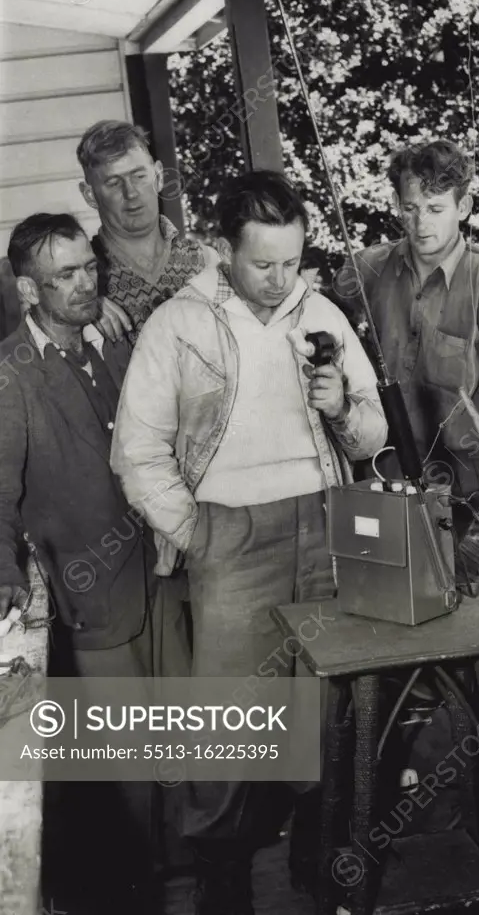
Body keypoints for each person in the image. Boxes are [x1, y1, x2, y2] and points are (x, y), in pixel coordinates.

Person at [110, 169, 388, 914]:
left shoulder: (321, 311)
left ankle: (314, 848)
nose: (279, 279)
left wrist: (342, 410)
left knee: (322, 705)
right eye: (262, 263)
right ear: (222, 250)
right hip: (229, 531)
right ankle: (223, 878)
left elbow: (372, 433)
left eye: (291, 262)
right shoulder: (179, 324)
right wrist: (194, 531)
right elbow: (137, 450)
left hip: (326, 526)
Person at [0, 212, 190, 913]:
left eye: (90, 268)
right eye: (65, 276)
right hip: (89, 600)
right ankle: (135, 891)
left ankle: (185, 873)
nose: (86, 284)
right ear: (27, 290)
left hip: (162, 577)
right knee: (125, 764)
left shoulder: (116, 345)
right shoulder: (11, 378)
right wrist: (6, 578)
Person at [333, 139, 479, 566]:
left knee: (445, 595)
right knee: (377, 588)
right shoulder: (365, 270)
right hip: (378, 477)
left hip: (457, 492)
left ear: (464, 206)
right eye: (410, 208)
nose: (421, 224)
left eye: (436, 209)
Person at [77, 119, 219, 341]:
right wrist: (78, 312)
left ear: (159, 176)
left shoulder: (206, 262)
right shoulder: (79, 278)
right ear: (90, 195)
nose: (131, 193)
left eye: (139, 176)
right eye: (114, 183)